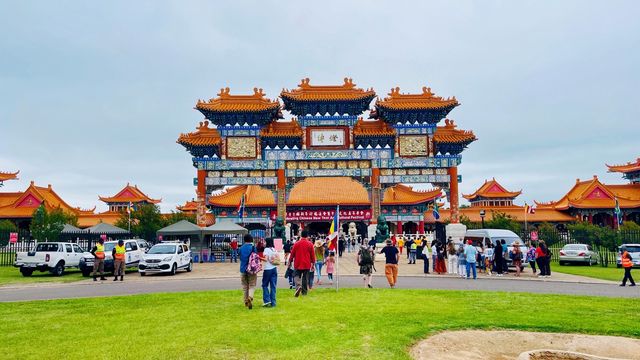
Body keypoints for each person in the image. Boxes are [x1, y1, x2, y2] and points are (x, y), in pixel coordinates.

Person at [289, 230, 315, 297]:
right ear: (307, 236)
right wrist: (313, 263)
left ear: (301, 235)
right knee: (305, 278)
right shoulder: (310, 244)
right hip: (307, 263)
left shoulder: (296, 244)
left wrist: (290, 261)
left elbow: (292, 254)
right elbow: (312, 255)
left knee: (296, 275)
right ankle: (304, 292)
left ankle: (298, 286)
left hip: (298, 262)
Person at [239, 234, 258, 309]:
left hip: (243, 268)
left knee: (244, 286)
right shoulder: (253, 247)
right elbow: (256, 257)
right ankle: (250, 297)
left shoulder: (241, 248)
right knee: (252, 285)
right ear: (251, 239)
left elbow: (240, 256)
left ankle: (245, 301)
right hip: (251, 269)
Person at [261, 238, 278, 307]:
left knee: (264, 285)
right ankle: (273, 302)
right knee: (273, 286)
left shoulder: (266, 250)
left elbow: (265, 259)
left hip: (268, 269)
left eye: (265, 242)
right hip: (274, 268)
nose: (264, 243)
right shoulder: (274, 249)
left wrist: (259, 257)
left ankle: (267, 300)